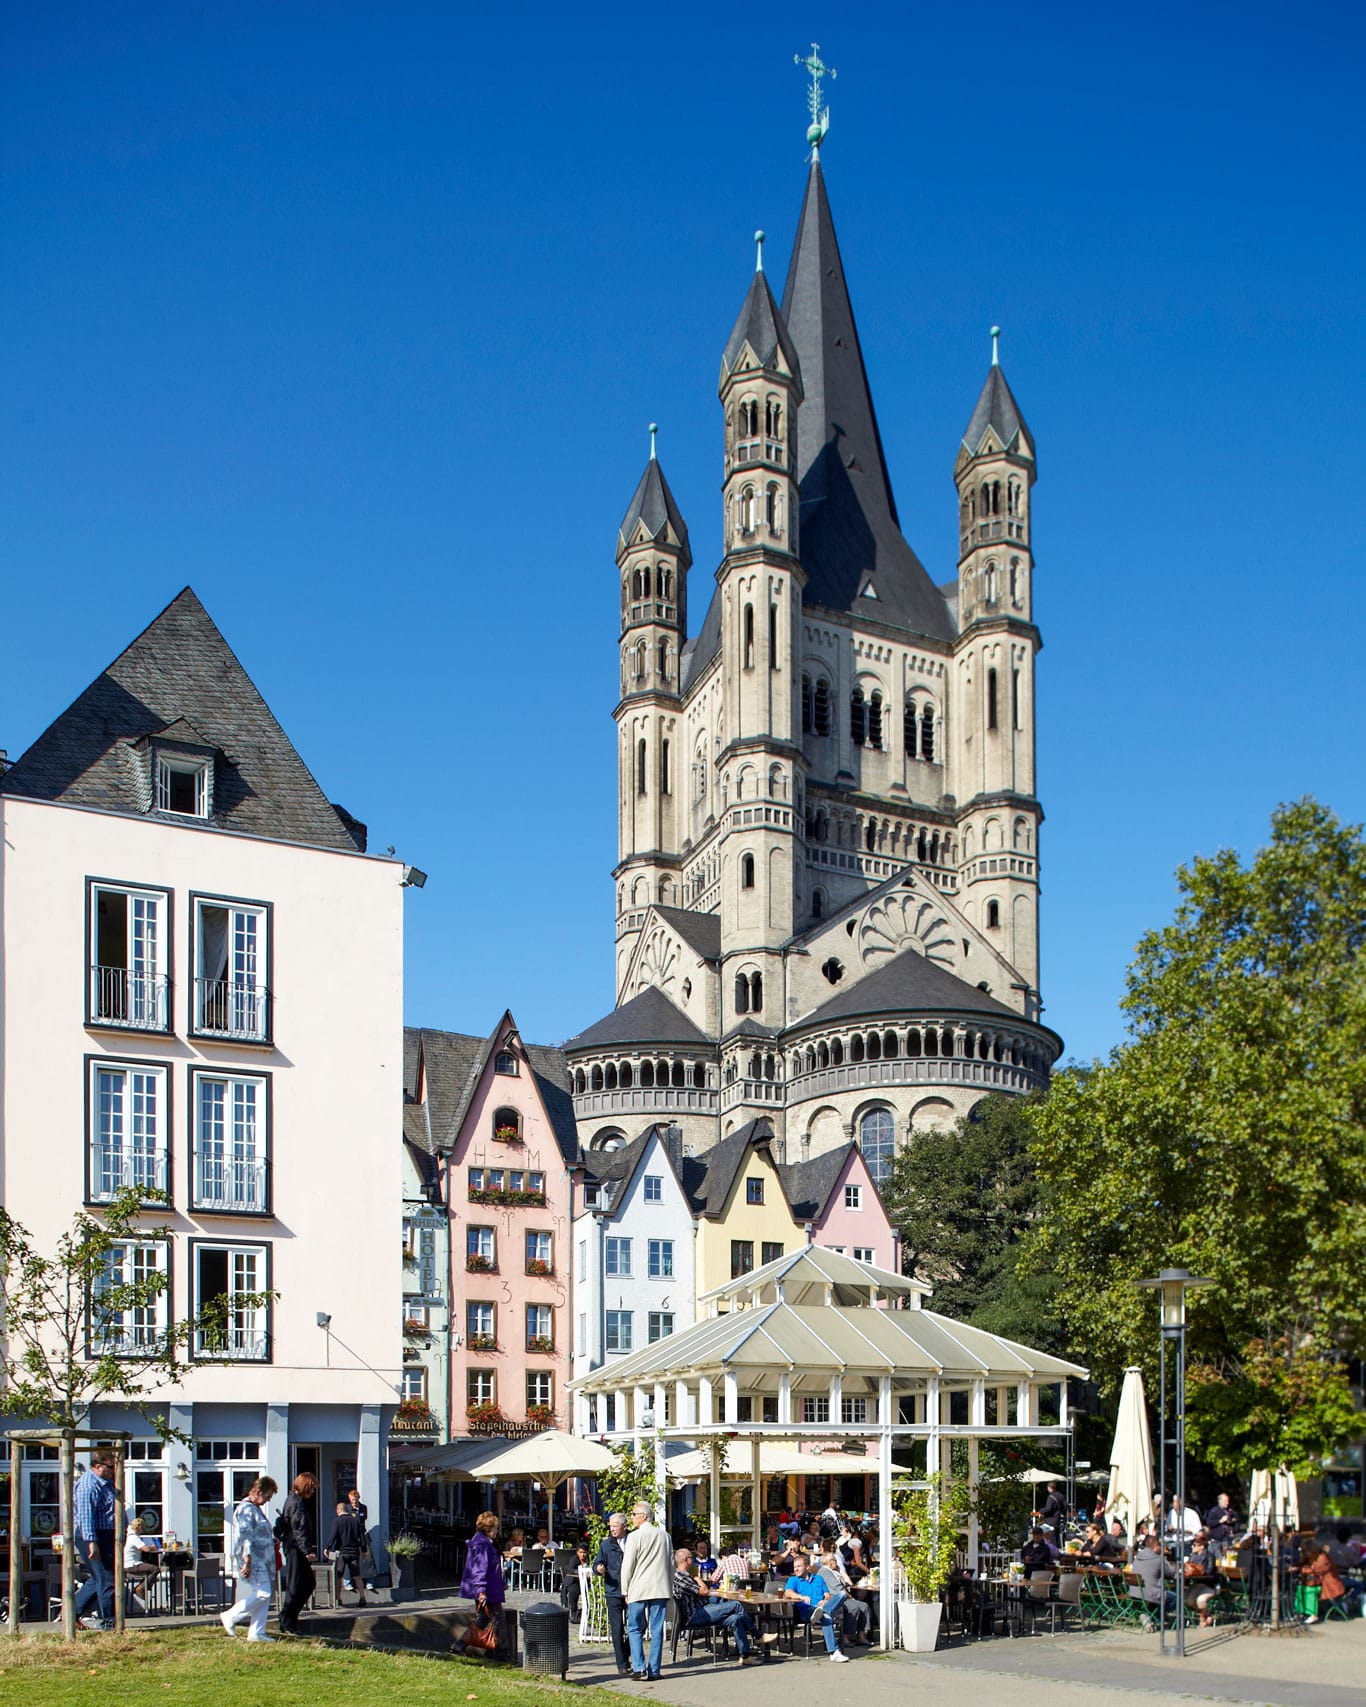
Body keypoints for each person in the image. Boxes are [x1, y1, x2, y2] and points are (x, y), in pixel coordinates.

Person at [672, 1547, 775, 1665]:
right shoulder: (683, 1577)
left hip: (700, 1610)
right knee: (736, 1605)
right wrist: (696, 1577)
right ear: (686, 1560)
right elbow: (704, 1591)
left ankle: (745, 1656)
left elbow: (706, 1588)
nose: (694, 1560)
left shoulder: (682, 1576)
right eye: (692, 1558)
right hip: (695, 1615)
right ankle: (757, 1635)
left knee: (736, 1618)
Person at [220, 1476, 279, 1642]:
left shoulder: (254, 1509)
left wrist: (271, 1540)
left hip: (261, 1558)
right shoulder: (247, 1509)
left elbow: (257, 1532)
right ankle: (231, 1616)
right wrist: (247, 1559)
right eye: (267, 1496)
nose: (267, 1501)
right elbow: (244, 1535)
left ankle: (257, 1632)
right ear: (258, 1492)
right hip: (253, 1558)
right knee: (263, 1592)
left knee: (265, 1593)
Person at [619, 1500, 672, 1682]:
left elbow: (627, 1566)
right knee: (657, 1629)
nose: (632, 1517)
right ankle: (654, 1669)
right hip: (660, 1588)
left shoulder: (634, 1537)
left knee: (634, 1628)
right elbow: (670, 1564)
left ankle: (639, 1667)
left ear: (643, 1516)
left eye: (634, 1514)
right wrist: (669, 1585)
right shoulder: (665, 1536)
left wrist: (625, 1590)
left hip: (639, 1588)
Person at [73, 1449, 118, 1630]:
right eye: (111, 1467)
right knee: (107, 1579)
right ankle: (109, 1622)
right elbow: (85, 1516)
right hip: (92, 1534)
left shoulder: (106, 1483)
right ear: (98, 1466)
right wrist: (92, 1542)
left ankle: (72, 1612)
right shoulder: (88, 1485)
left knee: (98, 1577)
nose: (113, 1470)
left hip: (106, 1534)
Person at [783, 1550, 849, 1662]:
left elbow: (827, 1595)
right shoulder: (793, 1580)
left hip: (821, 1608)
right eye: (795, 1567)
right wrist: (800, 1597)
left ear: (807, 1567)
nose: (796, 1569)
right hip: (806, 1611)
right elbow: (787, 1593)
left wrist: (824, 1600)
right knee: (826, 1617)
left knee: (842, 1594)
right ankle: (834, 1653)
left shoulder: (818, 1579)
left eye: (799, 1566)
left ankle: (822, 1610)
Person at [276, 1470, 319, 1636]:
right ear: (306, 1486)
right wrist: (307, 1550)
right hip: (296, 1549)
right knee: (299, 1584)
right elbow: (299, 1529)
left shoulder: (292, 1500)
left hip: (293, 1547)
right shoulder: (297, 1503)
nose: (314, 1491)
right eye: (312, 1488)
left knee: (305, 1583)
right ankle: (287, 1619)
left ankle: (289, 1619)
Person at [459, 1510, 507, 1651]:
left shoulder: (481, 1543)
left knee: (483, 1618)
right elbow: (480, 1569)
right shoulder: (483, 1546)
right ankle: (501, 1653)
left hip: (490, 1587)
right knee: (498, 1620)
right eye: (495, 1528)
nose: (497, 1531)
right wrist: (481, 1591)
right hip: (488, 1590)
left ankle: (459, 1645)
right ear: (489, 1529)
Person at [592, 1512, 630, 1675]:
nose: (612, 1529)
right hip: (613, 1589)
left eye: (615, 1526)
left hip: (631, 1590)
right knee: (617, 1628)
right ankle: (621, 1664)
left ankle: (627, 1651)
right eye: (610, 1526)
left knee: (640, 1623)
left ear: (624, 1527)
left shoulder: (633, 1541)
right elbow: (597, 1563)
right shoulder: (606, 1545)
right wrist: (599, 1569)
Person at [819, 1539, 871, 1642]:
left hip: (842, 1597)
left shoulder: (834, 1571)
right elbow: (838, 1589)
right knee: (854, 1607)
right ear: (830, 1562)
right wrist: (851, 1597)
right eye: (834, 1560)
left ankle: (861, 1635)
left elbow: (845, 1582)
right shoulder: (825, 1572)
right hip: (835, 1599)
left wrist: (839, 1571)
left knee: (864, 1606)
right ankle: (846, 1636)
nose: (836, 1562)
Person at [1128, 1537, 1179, 1631]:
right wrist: (1164, 1557)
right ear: (1156, 1546)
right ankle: (1155, 1615)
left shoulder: (1138, 1557)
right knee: (1176, 1598)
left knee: (1158, 1596)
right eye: (1160, 1546)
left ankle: (1148, 1615)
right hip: (1151, 1593)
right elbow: (1171, 1572)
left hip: (1135, 1592)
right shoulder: (1158, 1559)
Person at [326, 1498, 370, 1605]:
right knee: (356, 1575)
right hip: (354, 1550)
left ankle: (338, 1598)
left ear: (338, 1510)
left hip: (342, 1552)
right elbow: (362, 1537)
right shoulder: (356, 1520)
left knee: (339, 1575)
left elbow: (333, 1536)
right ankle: (362, 1597)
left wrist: (327, 1547)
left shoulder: (337, 1521)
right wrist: (364, 1550)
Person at [1302, 1543, 1362, 1621]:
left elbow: (1317, 1570)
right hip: (1335, 1579)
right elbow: (1355, 1562)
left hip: (1332, 1583)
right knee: (1360, 1585)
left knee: (1309, 1591)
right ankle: (1348, 1599)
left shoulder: (1324, 1556)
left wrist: (1303, 1569)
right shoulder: (1346, 1549)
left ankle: (1312, 1614)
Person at [122, 1517, 162, 1612]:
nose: (142, 1530)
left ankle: (144, 1586)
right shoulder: (134, 1537)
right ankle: (141, 1588)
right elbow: (146, 1549)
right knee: (155, 1569)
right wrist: (153, 1547)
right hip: (131, 1565)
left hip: (129, 1564)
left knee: (151, 1571)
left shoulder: (129, 1536)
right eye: (142, 1528)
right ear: (139, 1527)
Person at [561, 1543, 591, 1622]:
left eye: (584, 1552)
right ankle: (573, 1612)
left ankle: (587, 1611)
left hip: (585, 1582)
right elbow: (570, 1570)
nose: (582, 1555)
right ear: (577, 1552)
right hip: (573, 1581)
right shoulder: (574, 1559)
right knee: (574, 1590)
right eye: (580, 1552)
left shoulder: (589, 1559)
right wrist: (579, 1572)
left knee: (589, 1591)